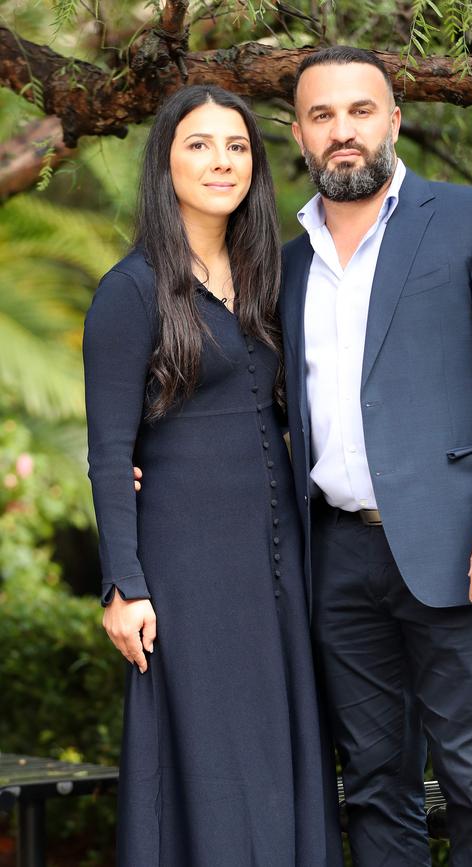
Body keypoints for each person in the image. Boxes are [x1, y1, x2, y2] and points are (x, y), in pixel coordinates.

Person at [279, 47, 472, 866]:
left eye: (360, 111)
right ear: (300, 135)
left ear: (395, 120)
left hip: (463, 548)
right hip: (334, 556)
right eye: (322, 116)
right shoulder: (287, 261)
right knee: (373, 785)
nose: (343, 132)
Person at [83, 85, 343, 867]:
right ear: (165, 162)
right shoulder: (130, 291)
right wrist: (122, 585)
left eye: (236, 145)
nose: (221, 160)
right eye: (199, 144)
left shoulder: (272, 275)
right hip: (186, 560)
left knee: (280, 745)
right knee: (206, 755)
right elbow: (106, 449)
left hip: (276, 560)